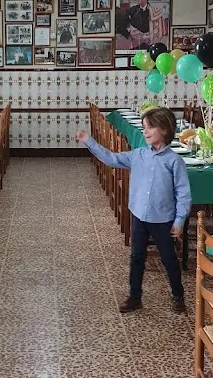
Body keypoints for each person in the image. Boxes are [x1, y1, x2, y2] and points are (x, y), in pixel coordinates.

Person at [76, 107, 191, 314]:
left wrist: (179, 221)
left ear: (165, 129)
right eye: (144, 127)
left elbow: (183, 194)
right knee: (137, 257)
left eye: (150, 127)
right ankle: (135, 296)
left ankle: (178, 295)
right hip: (139, 215)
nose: (145, 132)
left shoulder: (175, 161)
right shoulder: (138, 155)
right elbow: (111, 158)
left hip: (162, 219)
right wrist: (89, 141)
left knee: (169, 259)